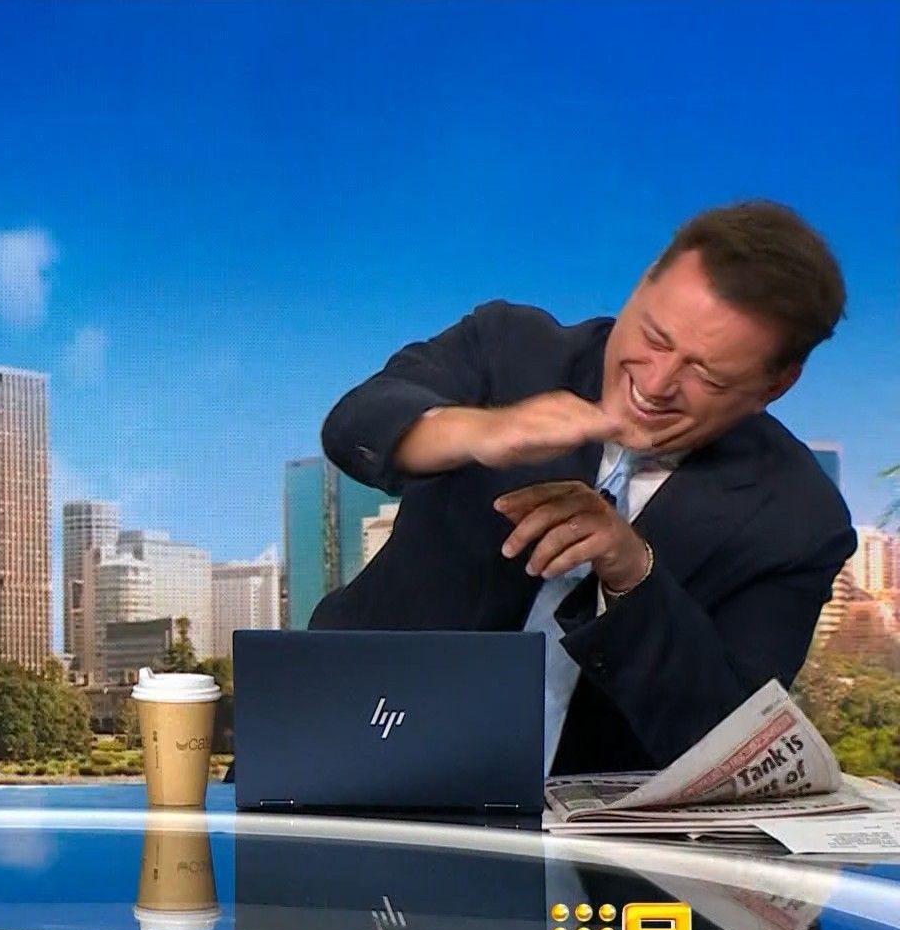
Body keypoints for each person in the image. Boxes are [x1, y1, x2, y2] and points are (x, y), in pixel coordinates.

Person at [313, 201, 853, 776]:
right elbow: (355, 425)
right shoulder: (509, 346)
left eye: (707, 375)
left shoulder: (799, 521)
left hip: (583, 823)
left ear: (776, 385)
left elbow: (727, 745)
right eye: (655, 337)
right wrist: (481, 431)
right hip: (353, 747)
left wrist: (631, 571)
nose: (656, 384)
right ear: (642, 285)